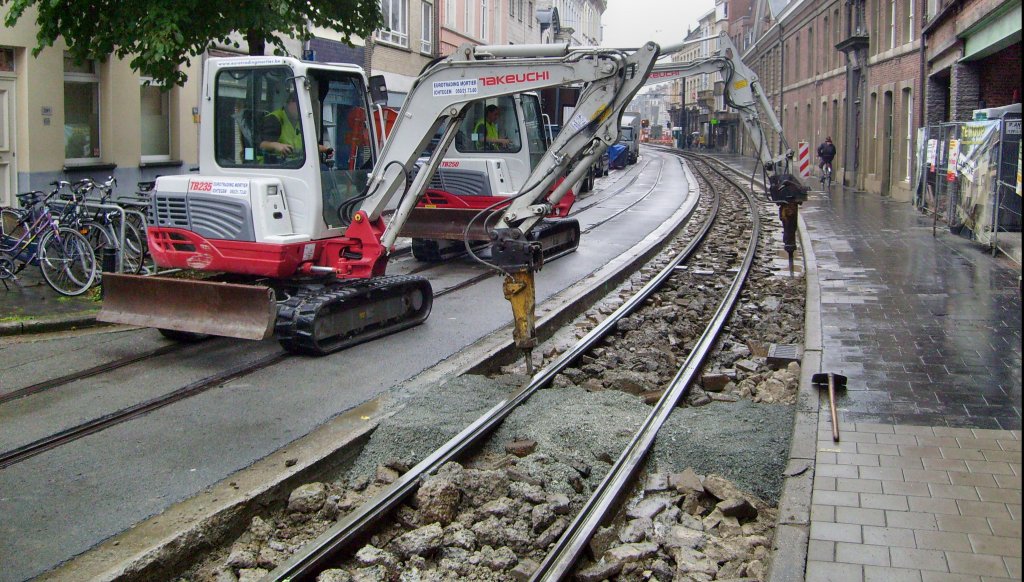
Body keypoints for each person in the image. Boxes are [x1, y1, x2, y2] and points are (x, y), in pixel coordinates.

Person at [260, 91, 331, 160]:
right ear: (289, 103)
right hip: (274, 165)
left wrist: (325, 149)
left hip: (297, 164)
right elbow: (260, 145)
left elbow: (304, 147)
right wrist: (276, 145)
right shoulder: (274, 119)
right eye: (299, 105)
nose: (301, 109)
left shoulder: (301, 123)